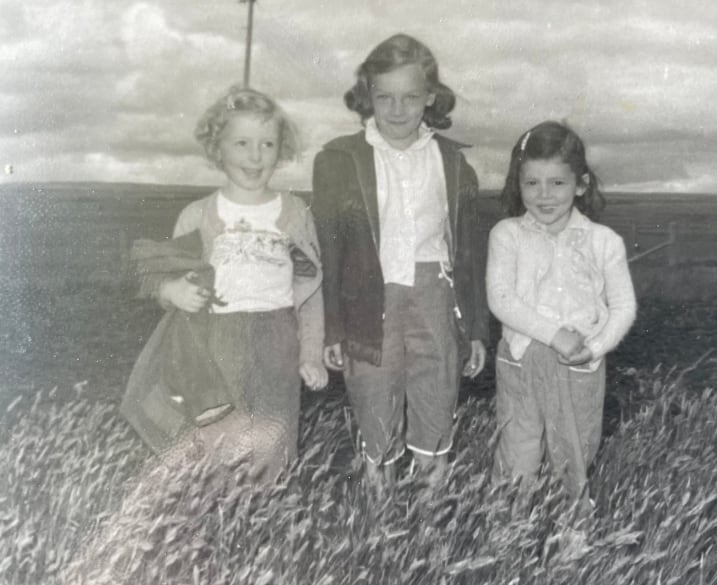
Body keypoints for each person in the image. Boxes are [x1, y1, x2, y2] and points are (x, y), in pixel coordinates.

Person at [311, 33, 489, 490]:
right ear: (366, 95)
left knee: (437, 391)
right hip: (369, 295)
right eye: (384, 96)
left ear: (430, 97)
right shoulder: (338, 160)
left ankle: (431, 523)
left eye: (410, 97)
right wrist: (333, 327)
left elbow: (468, 251)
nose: (396, 109)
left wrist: (475, 329)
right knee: (374, 396)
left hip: (435, 293)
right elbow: (329, 251)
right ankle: (379, 519)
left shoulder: (451, 161)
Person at [121, 86, 327, 480]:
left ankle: (265, 524)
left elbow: (312, 290)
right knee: (217, 443)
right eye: (242, 143)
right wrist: (172, 292)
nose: (255, 156)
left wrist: (311, 353)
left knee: (273, 439)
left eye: (268, 144)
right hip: (215, 340)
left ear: (281, 149)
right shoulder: (197, 214)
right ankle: (217, 521)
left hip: (278, 338)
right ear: (218, 149)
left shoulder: (296, 212)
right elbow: (163, 276)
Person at [486, 121, 636, 514]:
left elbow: (623, 307)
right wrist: (554, 335)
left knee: (575, 449)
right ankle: (509, 532)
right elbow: (501, 299)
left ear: (581, 184)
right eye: (531, 183)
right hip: (521, 360)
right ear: (517, 184)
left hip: (579, 365)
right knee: (518, 449)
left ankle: (570, 531)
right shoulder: (507, 234)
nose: (544, 195)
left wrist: (595, 347)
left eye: (557, 183)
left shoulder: (604, 242)